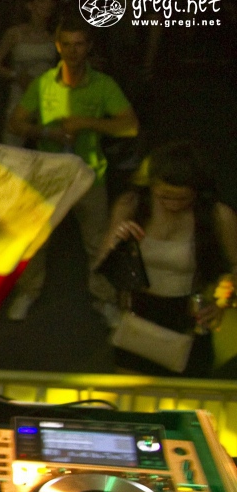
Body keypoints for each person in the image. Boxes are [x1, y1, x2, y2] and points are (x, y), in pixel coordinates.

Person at [6, 16, 139, 322]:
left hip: (89, 174)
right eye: (66, 44)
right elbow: (15, 123)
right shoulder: (43, 84)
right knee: (35, 238)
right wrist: (46, 132)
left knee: (98, 241)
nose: (73, 51)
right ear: (58, 46)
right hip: (50, 175)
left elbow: (130, 126)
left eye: (79, 44)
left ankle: (104, 299)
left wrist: (87, 122)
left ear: (89, 46)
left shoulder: (103, 84)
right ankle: (28, 292)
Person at [99, 141, 237, 377]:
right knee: (132, 393)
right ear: (152, 185)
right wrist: (116, 242)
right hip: (139, 316)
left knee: (187, 392)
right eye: (164, 196)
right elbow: (101, 264)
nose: (173, 204)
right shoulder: (131, 206)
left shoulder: (217, 215)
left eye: (182, 199)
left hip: (188, 317)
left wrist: (222, 303)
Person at [0, 0, 59, 146]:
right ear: (30, 5)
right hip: (20, 94)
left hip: (46, 96)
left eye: (51, 0)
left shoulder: (55, 34)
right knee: (12, 147)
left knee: (50, 147)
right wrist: (16, 75)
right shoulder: (15, 33)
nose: (48, 4)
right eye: (42, 0)